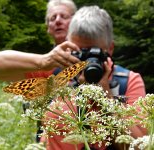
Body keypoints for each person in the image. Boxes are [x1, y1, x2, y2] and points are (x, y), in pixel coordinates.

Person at [39, 5, 147, 150]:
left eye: (94, 54)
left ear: (110, 49)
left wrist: (105, 99)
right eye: (81, 53)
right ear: (68, 45)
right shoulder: (54, 75)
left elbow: (140, 146)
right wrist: (42, 61)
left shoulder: (127, 82)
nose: (87, 62)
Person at [0, 0, 78, 82]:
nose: (57, 21)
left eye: (64, 16)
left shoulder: (91, 53)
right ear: (48, 28)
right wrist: (43, 61)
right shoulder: (46, 66)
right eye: (52, 18)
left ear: (76, 21)